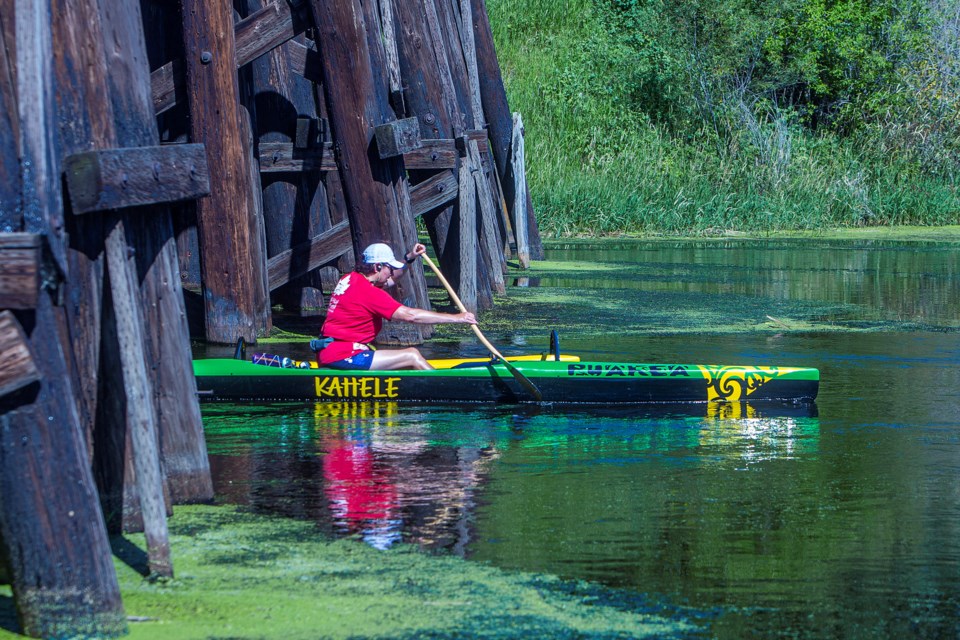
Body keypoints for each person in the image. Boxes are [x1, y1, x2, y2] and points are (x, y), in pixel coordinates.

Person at [317, 242, 476, 370]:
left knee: (407, 360)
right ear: (377, 266)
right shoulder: (370, 293)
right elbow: (411, 316)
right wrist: (457, 318)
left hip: (331, 352)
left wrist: (409, 258)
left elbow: (391, 280)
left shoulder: (350, 279)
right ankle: (445, 386)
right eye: (390, 268)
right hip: (344, 355)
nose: (392, 273)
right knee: (411, 355)